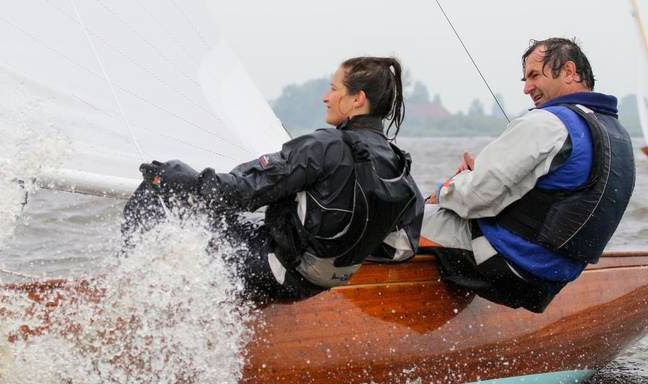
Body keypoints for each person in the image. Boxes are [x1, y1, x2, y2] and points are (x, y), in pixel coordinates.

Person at [122, 56, 424, 301]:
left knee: (160, 187)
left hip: (272, 271)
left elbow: (243, 190)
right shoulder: (398, 164)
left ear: (357, 99)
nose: (325, 97)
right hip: (312, 285)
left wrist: (183, 177)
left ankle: (128, 289)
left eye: (334, 89)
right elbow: (400, 248)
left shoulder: (324, 147)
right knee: (239, 218)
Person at [422, 38, 636, 313]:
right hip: (548, 280)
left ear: (569, 71)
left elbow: (475, 196)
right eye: (525, 79)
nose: (526, 88)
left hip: (505, 265)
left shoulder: (548, 122)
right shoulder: (617, 135)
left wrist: (443, 191)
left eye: (535, 75)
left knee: (395, 220)